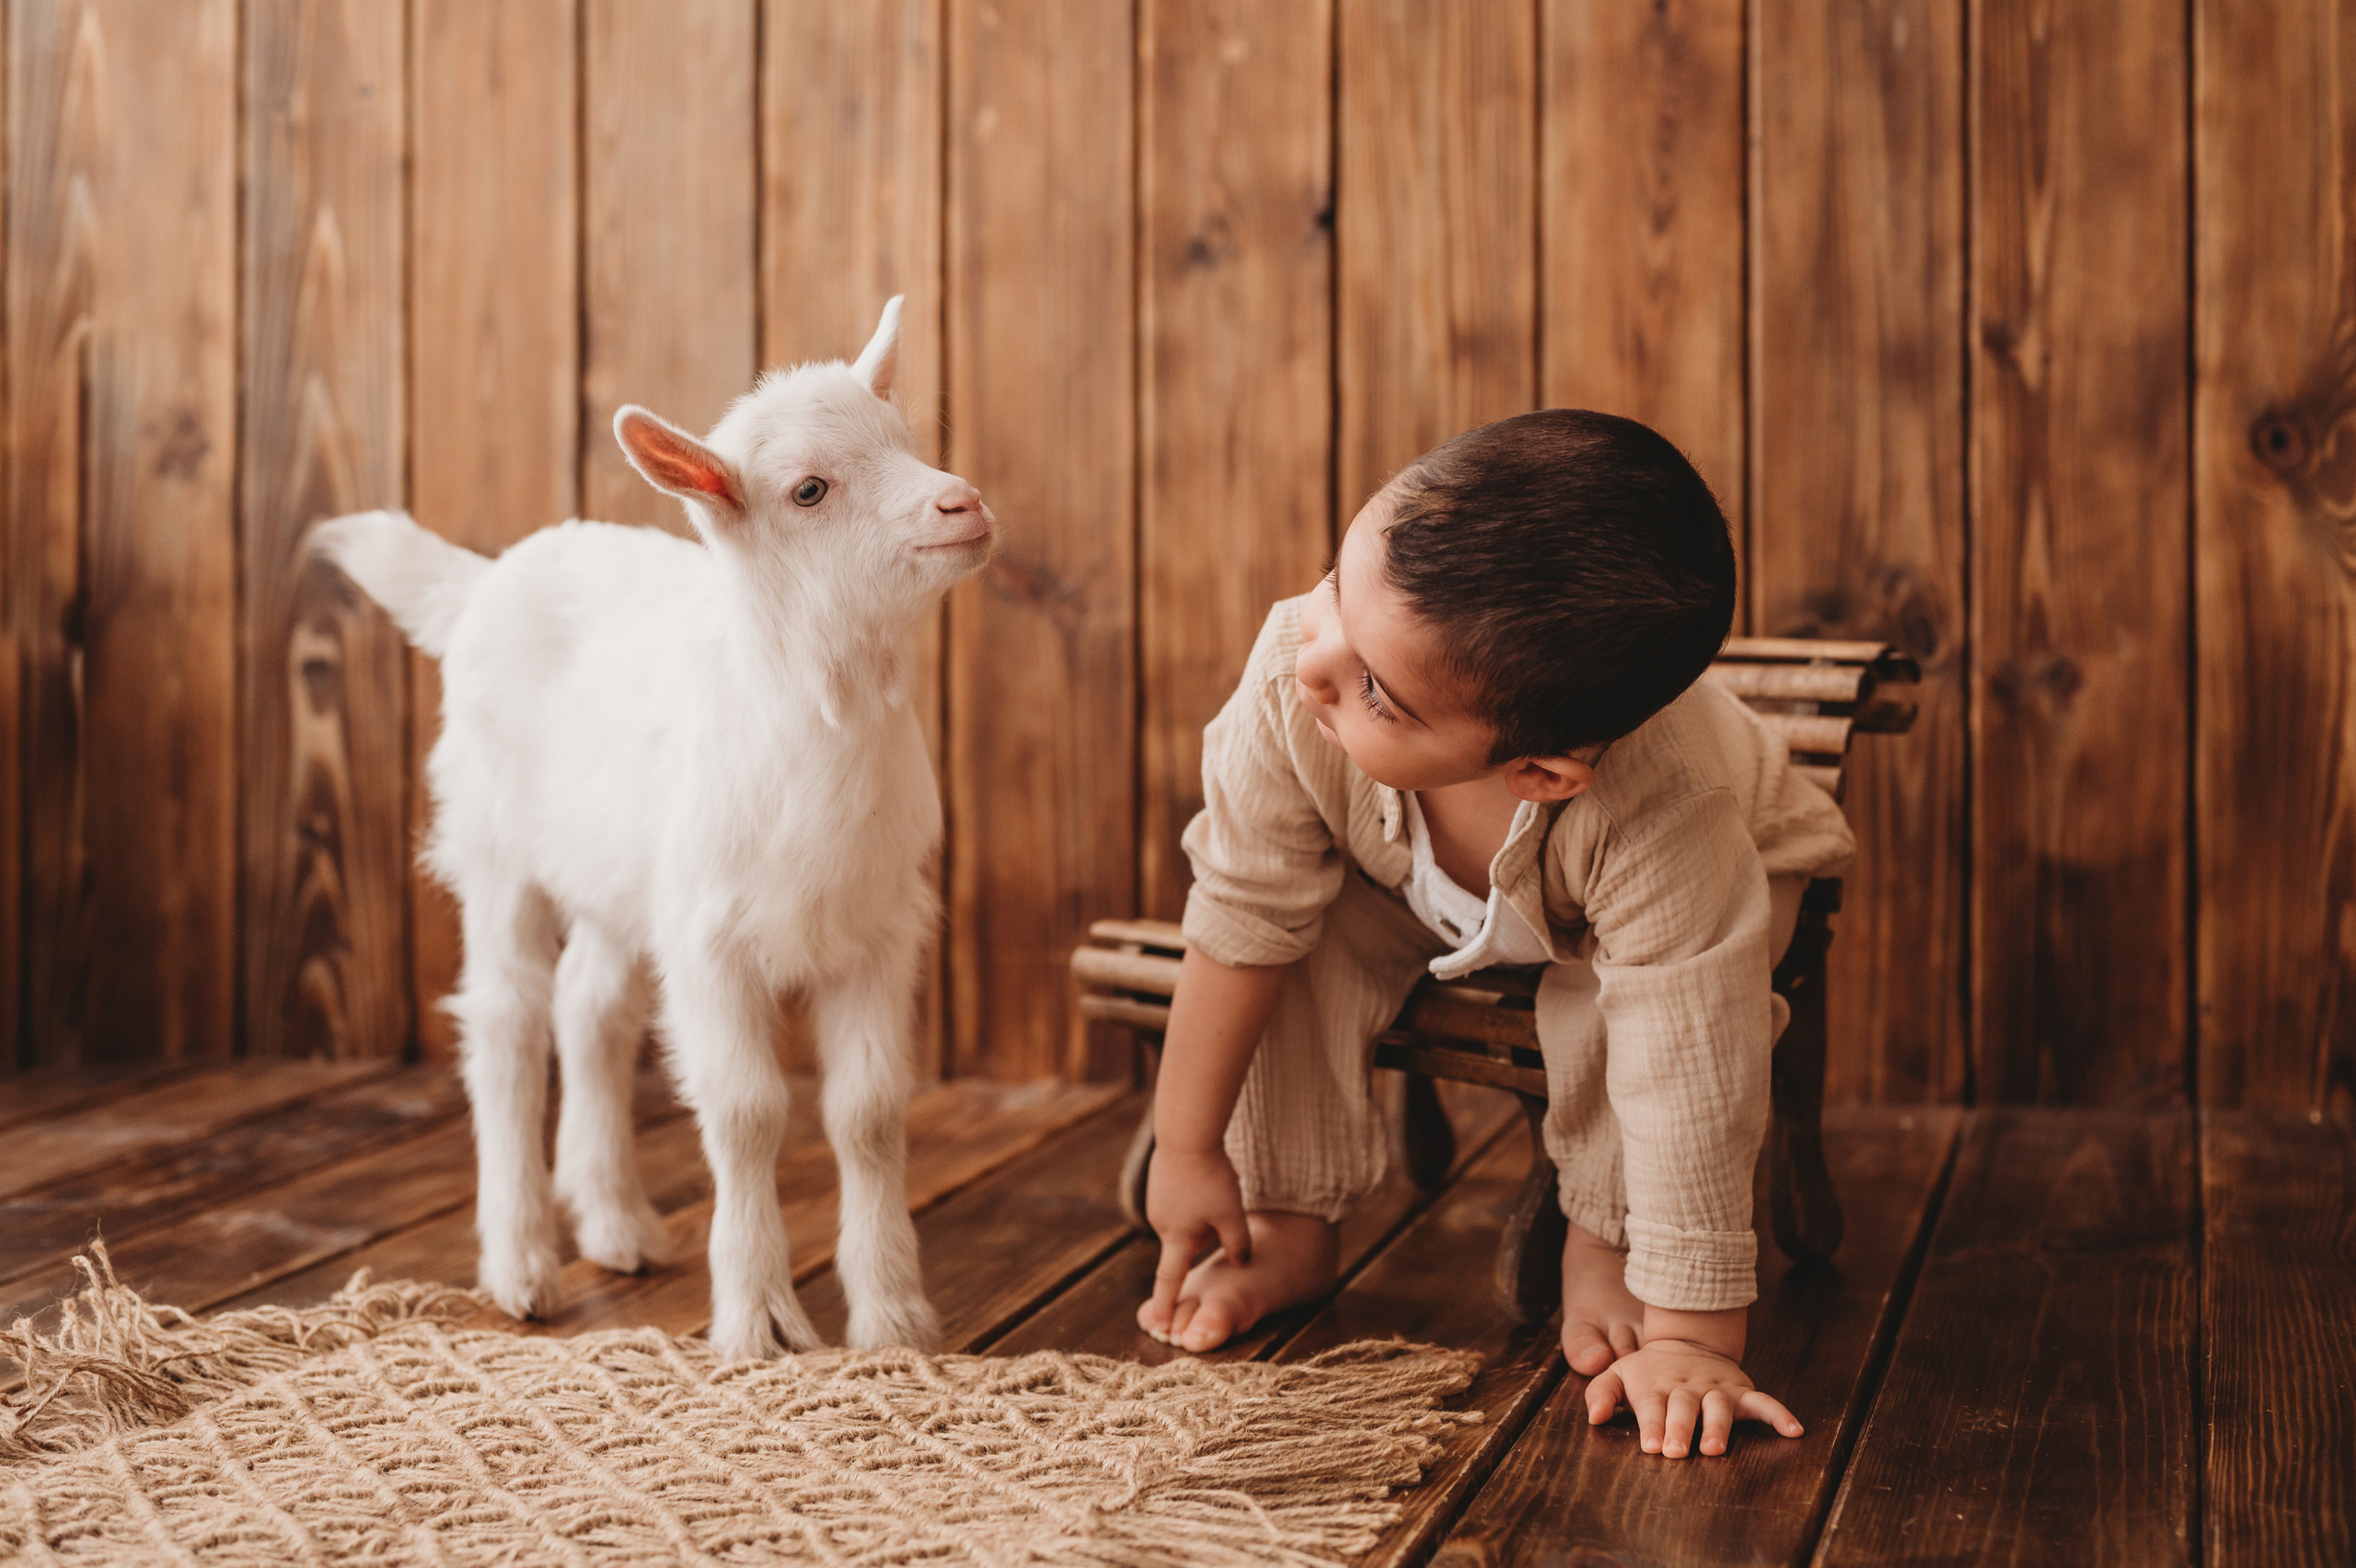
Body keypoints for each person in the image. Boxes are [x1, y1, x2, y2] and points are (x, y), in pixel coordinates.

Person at [1135, 409, 1855, 1461]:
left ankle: (1604, 1237)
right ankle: (1284, 1215)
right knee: (1298, 936)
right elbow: (1241, 914)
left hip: (1715, 894)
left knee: (1618, 1008)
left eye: (1375, 687)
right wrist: (1189, 1147)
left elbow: (1692, 1053)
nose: (1315, 661)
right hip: (1404, 878)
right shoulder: (1301, 666)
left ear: (1541, 774)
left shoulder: (1663, 812)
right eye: (1340, 583)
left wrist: (1696, 1337)